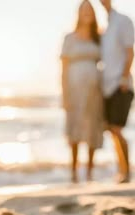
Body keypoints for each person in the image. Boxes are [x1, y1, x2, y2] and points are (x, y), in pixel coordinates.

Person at [60, 0, 103, 182]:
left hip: (94, 91)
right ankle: (74, 173)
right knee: (75, 129)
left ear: (94, 14)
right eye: (83, 10)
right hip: (74, 89)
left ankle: (90, 173)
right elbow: (63, 68)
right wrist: (64, 94)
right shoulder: (70, 38)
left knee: (92, 128)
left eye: (89, 10)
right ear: (78, 13)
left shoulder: (99, 38)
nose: (87, 13)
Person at [100, 0, 135, 183]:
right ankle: (121, 169)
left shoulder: (123, 21)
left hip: (121, 85)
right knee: (111, 130)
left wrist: (124, 77)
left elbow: (130, 52)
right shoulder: (105, 27)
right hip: (106, 87)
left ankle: (127, 171)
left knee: (116, 128)